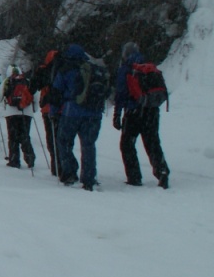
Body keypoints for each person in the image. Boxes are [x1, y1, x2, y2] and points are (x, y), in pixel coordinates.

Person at [113, 41, 170, 189]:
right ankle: (162, 171)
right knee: (152, 142)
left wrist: (117, 114)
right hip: (152, 110)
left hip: (134, 112)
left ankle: (134, 177)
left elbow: (120, 94)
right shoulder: (149, 66)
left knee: (127, 144)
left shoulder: (126, 69)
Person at [51, 44, 104, 191]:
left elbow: (56, 92)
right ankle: (89, 178)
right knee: (88, 145)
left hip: (72, 112)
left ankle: (69, 173)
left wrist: (53, 111)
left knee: (64, 141)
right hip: (93, 113)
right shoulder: (93, 69)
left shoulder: (65, 70)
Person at [0, 65, 36, 169]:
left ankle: (14, 161)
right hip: (26, 113)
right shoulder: (27, 81)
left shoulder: (7, 82)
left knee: (13, 138)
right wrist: (33, 109)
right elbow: (35, 95)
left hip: (11, 113)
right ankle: (30, 158)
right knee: (25, 136)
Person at [30, 49, 61, 176]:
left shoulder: (43, 70)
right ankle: (64, 166)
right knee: (62, 139)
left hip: (48, 109)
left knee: (51, 139)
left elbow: (32, 88)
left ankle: (56, 167)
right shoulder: (65, 69)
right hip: (64, 109)